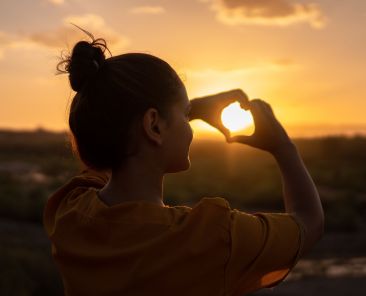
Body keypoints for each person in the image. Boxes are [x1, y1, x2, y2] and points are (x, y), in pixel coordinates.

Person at [43, 27, 324, 296]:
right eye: (185, 114)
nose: (190, 125)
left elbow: (107, 143)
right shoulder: (211, 238)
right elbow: (308, 222)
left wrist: (184, 110)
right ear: (154, 125)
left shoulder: (69, 212)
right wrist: (283, 147)